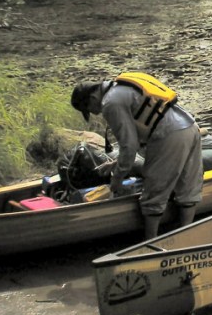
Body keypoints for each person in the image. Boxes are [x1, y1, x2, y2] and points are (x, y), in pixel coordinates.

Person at [70, 78, 204, 238]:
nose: (95, 113)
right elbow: (141, 131)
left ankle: (149, 242)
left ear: (92, 98)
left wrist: (117, 178)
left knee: (154, 191)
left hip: (169, 134)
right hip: (190, 127)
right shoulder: (121, 88)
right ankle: (186, 235)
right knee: (187, 185)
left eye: (90, 110)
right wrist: (116, 162)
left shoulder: (110, 103)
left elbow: (129, 145)